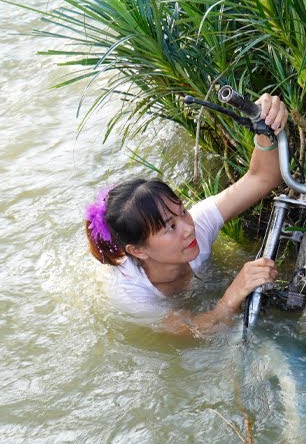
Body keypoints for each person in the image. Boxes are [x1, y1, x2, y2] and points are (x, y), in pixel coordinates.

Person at [83, 94, 289, 335]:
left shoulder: (196, 224)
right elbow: (192, 334)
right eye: (170, 227)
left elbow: (261, 178)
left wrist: (265, 126)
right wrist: (233, 294)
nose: (188, 227)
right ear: (138, 250)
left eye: (182, 211)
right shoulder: (130, 293)